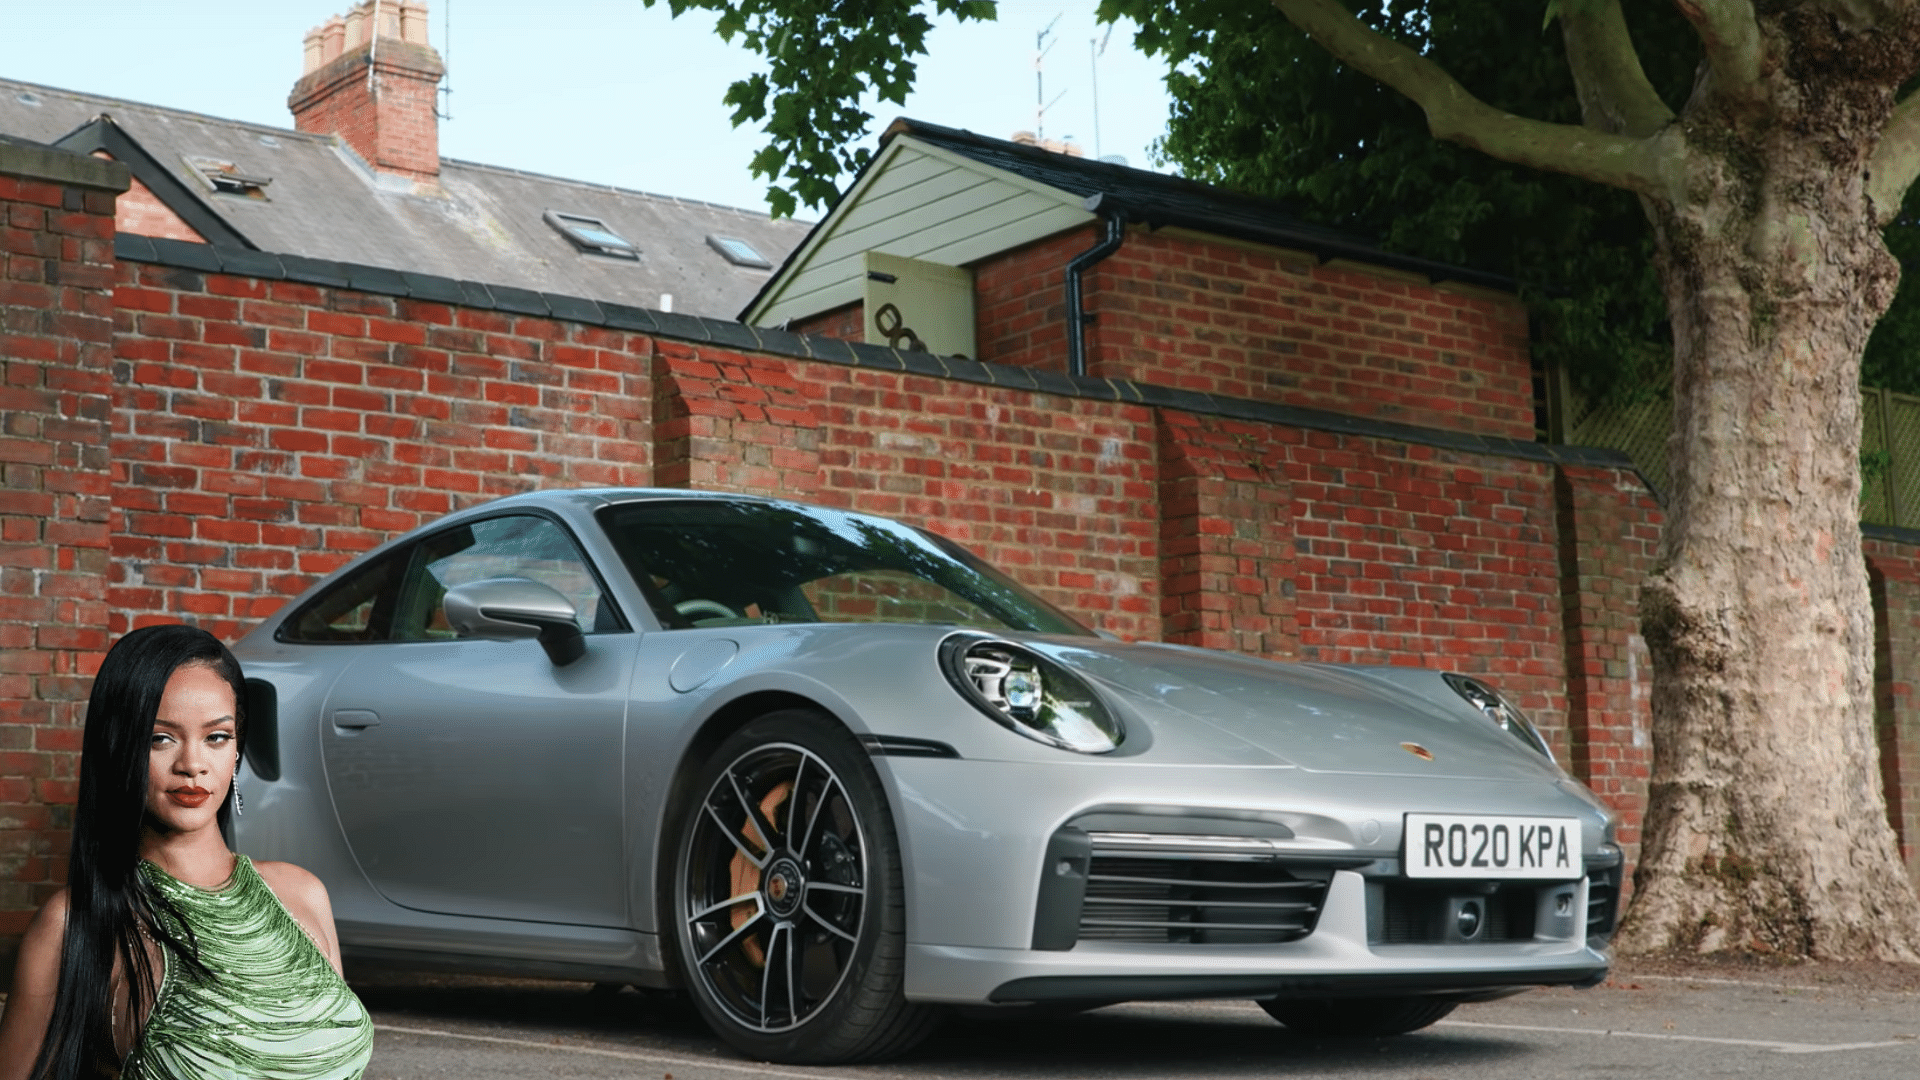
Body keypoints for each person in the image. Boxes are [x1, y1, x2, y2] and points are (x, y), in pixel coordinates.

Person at [0, 625, 372, 1080]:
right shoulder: (74, 923)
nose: (193, 765)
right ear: (120, 747)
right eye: (161, 738)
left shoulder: (303, 893)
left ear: (237, 749)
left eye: (216, 737)